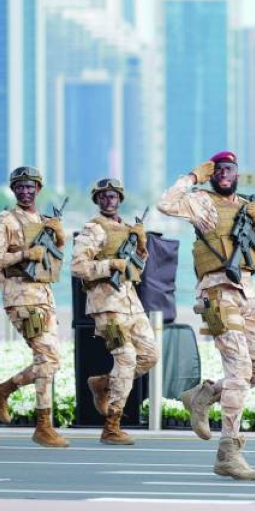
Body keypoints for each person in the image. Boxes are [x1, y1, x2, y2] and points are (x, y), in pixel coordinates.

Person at [157, 150, 255, 481]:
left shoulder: (246, 207)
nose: (225, 173)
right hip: (216, 293)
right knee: (239, 373)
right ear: (213, 174)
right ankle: (229, 452)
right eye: (219, 169)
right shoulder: (201, 202)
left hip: (247, 294)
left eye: (230, 169)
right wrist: (193, 177)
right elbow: (165, 204)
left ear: (238, 174)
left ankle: (204, 394)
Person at [0, 166, 69, 448]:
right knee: (47, 359)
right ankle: (43, 425)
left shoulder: (44, 221)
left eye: (30, 186)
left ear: (38, 189)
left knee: (51, 359)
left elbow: (55, 262)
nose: (25, 191)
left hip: (43, 295)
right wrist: (24, 253)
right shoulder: (5, 220)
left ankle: (3, 390)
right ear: (13, 190)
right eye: (20, 187)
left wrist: (59, 239)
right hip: (21, 295)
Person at [72, 178, 159, 445]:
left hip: (130, 303)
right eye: (104, 197)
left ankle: (103, 384)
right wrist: (111, 264)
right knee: (126, 357)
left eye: (113, 196)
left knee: (150, 355)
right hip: (106, 306)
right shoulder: (93, 229)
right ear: (97, 200)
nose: (109, 200)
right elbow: (78, 267)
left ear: (120, 199)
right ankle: (112, 423)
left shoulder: (127, 230)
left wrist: (141, 248)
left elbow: (136, 271)